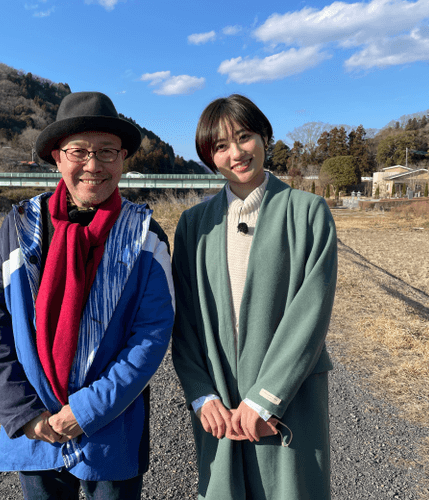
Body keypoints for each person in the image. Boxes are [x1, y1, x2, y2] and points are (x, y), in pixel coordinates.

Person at [0, 91, 175, 500]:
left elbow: (152, 333)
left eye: (107, 152)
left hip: (112, 424)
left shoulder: (145, 236)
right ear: (56, 156)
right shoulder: (19, 229)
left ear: (122, 159)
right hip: (37, 425)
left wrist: (87, 411)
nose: (93, 165)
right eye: (79, 151)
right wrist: (22, 413)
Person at [171, 94, 337, 500]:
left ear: (265, 137)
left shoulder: (309, 211)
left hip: (290, 395)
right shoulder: (193, 224)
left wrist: (265, 399)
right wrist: (201, 393)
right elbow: (184, 319)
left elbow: (310, 314)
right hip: (221, 403)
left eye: (244, 137)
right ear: (209, 157)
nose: (236, 153)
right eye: (220, 146)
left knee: (291, 488)